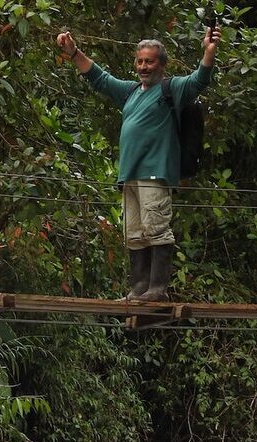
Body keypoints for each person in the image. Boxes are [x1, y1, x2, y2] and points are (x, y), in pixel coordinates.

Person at [56, 25, 221, 302]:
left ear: (162, 64)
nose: (143, 67)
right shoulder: (131, 92)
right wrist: (73, 52)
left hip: (155, 172)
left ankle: (157, 289)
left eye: (150, 61)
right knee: (133, 233)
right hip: (129, 175)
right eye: (140, 61)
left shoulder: (171, 89)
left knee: (156, 228)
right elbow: (100, 78)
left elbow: (199, 80)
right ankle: (139, 289)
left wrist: (209, 52)